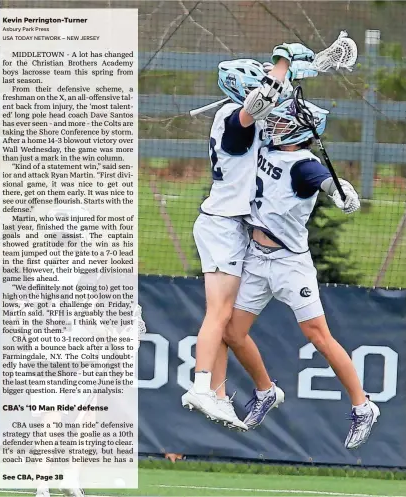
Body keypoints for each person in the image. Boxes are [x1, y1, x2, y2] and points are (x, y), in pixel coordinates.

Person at [211, 96, 380, 450]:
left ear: (303, 131)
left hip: (290, 264)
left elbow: (327, 182)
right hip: (256, 260)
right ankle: (265, 391)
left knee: (318, 335)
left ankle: (363, 406)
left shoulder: (305, 165)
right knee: (231, 332)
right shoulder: (266, 148)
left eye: (285, 122)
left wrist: (342, 192)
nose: (276, 124)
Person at [181, 43, 317, 430]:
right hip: (223, 224)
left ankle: (220, 395)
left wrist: (299, 70)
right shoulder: (235, 120)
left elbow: (282, 99)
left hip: (230, 225)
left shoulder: (247, 119)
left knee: (226, 322)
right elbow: (269, 95)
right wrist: (283, 62)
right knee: (219, 313)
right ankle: (202, 385)